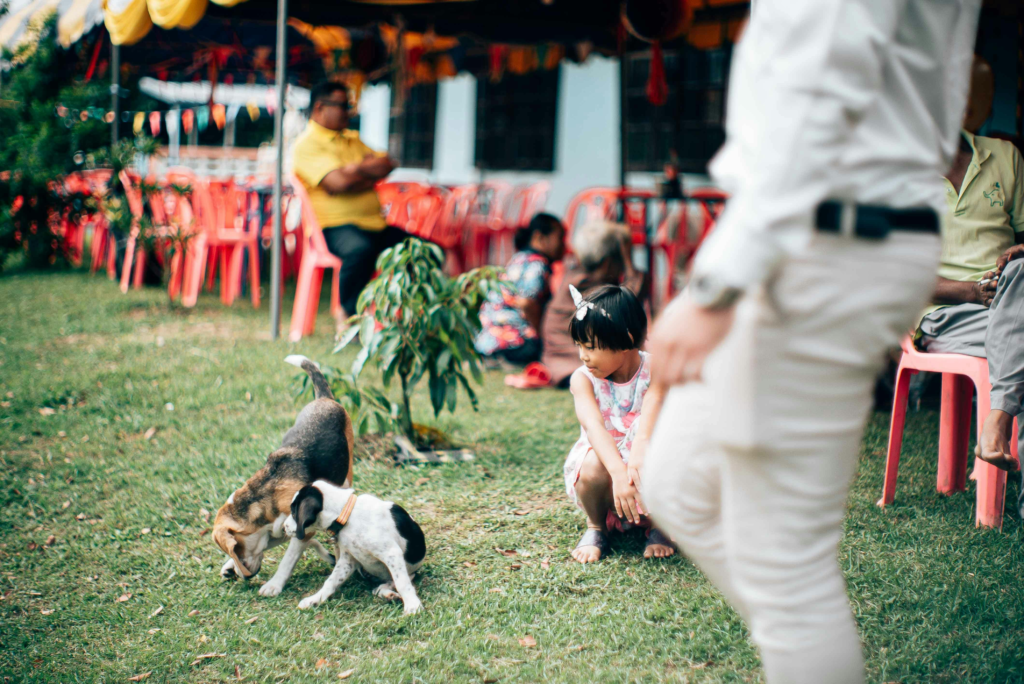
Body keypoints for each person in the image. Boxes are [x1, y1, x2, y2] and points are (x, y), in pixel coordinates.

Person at [643, 2, 981, 683]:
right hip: (819, 230)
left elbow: (818, 92)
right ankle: (799, 642)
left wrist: (716, 286)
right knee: (675, 482)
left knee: (787, 570)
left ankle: (802, 640)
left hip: (823, 239)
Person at [916, 57, 1024, 479]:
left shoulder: (1005, 156)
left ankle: (995, 425)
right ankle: (996, 424)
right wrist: (969, 291)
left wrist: (1017, 253)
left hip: (1012, 295)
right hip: (945, 313)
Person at [563, 284, 673, 564]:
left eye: (590, 347)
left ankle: (661, 526)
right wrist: (618, 473)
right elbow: (594, 427)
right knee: (590, 466)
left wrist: (637, 458)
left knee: (667, 457)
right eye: (579, 346)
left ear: (625, 341)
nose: (583, 356)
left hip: (646, 456)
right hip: (606, 465)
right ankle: (596, 526)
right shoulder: (583, 379)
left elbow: (652, 409)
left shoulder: (656, 368)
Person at [291, 81, 409, 332]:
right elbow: (339, 183)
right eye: (343, 106)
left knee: (421, 250)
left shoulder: (352, 138)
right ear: (320, 107)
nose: (349, 112)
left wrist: (354, 170)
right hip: (333, 228)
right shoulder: (306, 145)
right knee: (360, 250)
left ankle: (415, 317)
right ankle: (348, 314)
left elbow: (387, 163)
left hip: (375, 225)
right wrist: (364, 176)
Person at [539, 221, 643, 387]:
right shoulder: (592, 287)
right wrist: (629, 263)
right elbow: (632, 301)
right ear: (609, 262)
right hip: (576, 364)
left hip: (558, 363)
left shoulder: (573, 276)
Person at [475, 213, 565, 366]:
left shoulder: (518, 259)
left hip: (485, 341)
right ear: (540, 237)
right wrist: (540, 336)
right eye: (560, 238)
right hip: (512, 343)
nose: (564, 246)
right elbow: (526, 303)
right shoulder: (537, 264)